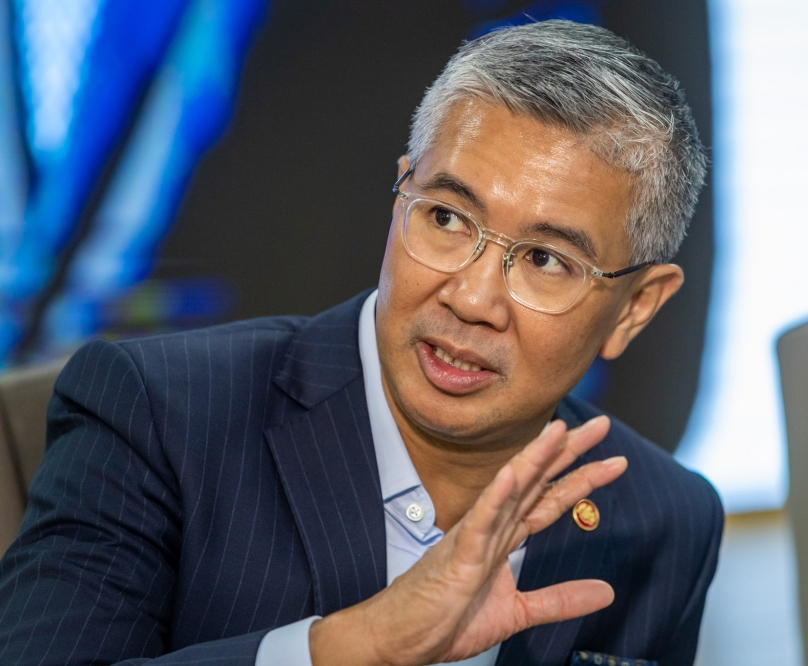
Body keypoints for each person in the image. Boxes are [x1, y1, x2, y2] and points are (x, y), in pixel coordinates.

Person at [0, 20, 722, 666]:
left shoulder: (665, 520)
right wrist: (354, 647)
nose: (471, 300)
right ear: (401, 194)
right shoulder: (157, 415)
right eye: (446, 218)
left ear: (635, 309)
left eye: (545, 260)